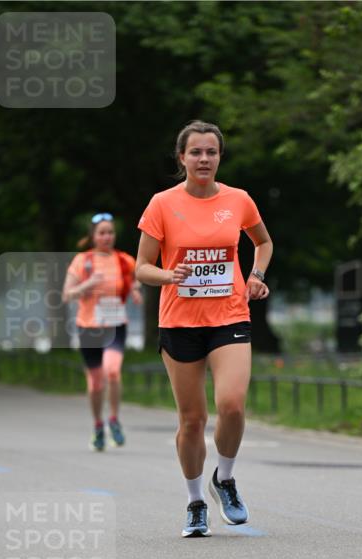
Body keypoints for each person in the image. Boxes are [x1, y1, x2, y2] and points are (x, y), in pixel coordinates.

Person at [135, 120, 273, 537]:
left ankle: (224, 479)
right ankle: (196, 502)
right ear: (182, 158)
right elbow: (142, 267)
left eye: (211, 152)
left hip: (230, 315)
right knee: (192, 420)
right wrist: (168, 275)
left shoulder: (238, 200)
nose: (204, 159)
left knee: (232, 405)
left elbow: (263, 242)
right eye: (195, 152)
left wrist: (256, 274)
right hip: (179, 321)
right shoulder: (162, 204)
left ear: (219, 157)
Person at [62, 214, 142, 451]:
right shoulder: (82, 261)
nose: (107, 237)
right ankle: (98, 425)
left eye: (110, 232)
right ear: (93, 236)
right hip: (89, 327)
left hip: (115, 325)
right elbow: (67, 294)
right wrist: (88, 284)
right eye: (102, 233)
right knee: (96, 383)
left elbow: (135, 280)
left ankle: (114, 420)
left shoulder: (124, 260)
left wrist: (135, 290)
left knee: (113, 371)